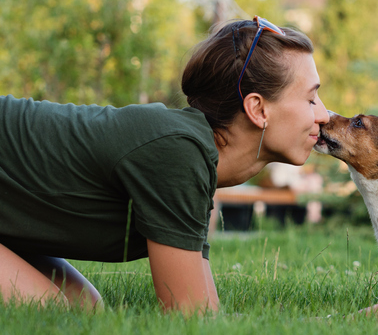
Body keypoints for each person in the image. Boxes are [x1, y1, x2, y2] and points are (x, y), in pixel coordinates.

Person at [0, 16, 329, 315]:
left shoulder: (194, 156)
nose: (324, 115)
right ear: (258, 109)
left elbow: (205, 310)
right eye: (311, 99)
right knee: (55, 315)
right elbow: (192, 317)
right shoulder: (178, 153)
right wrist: (335, 322)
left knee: (85, 311)